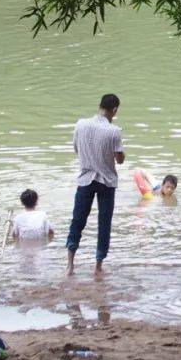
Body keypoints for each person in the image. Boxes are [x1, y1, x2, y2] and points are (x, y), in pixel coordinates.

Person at [66, 93, 125, 276]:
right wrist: (118, 155)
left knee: (78, 220)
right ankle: (98, 266)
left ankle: (70, 265)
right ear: (114, 110)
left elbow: (76, 149)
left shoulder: (81, 124)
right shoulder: (114, 131)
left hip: (85, 178)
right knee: (104, 223)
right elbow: (120, 159)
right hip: (107, 182)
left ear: (99, 105)